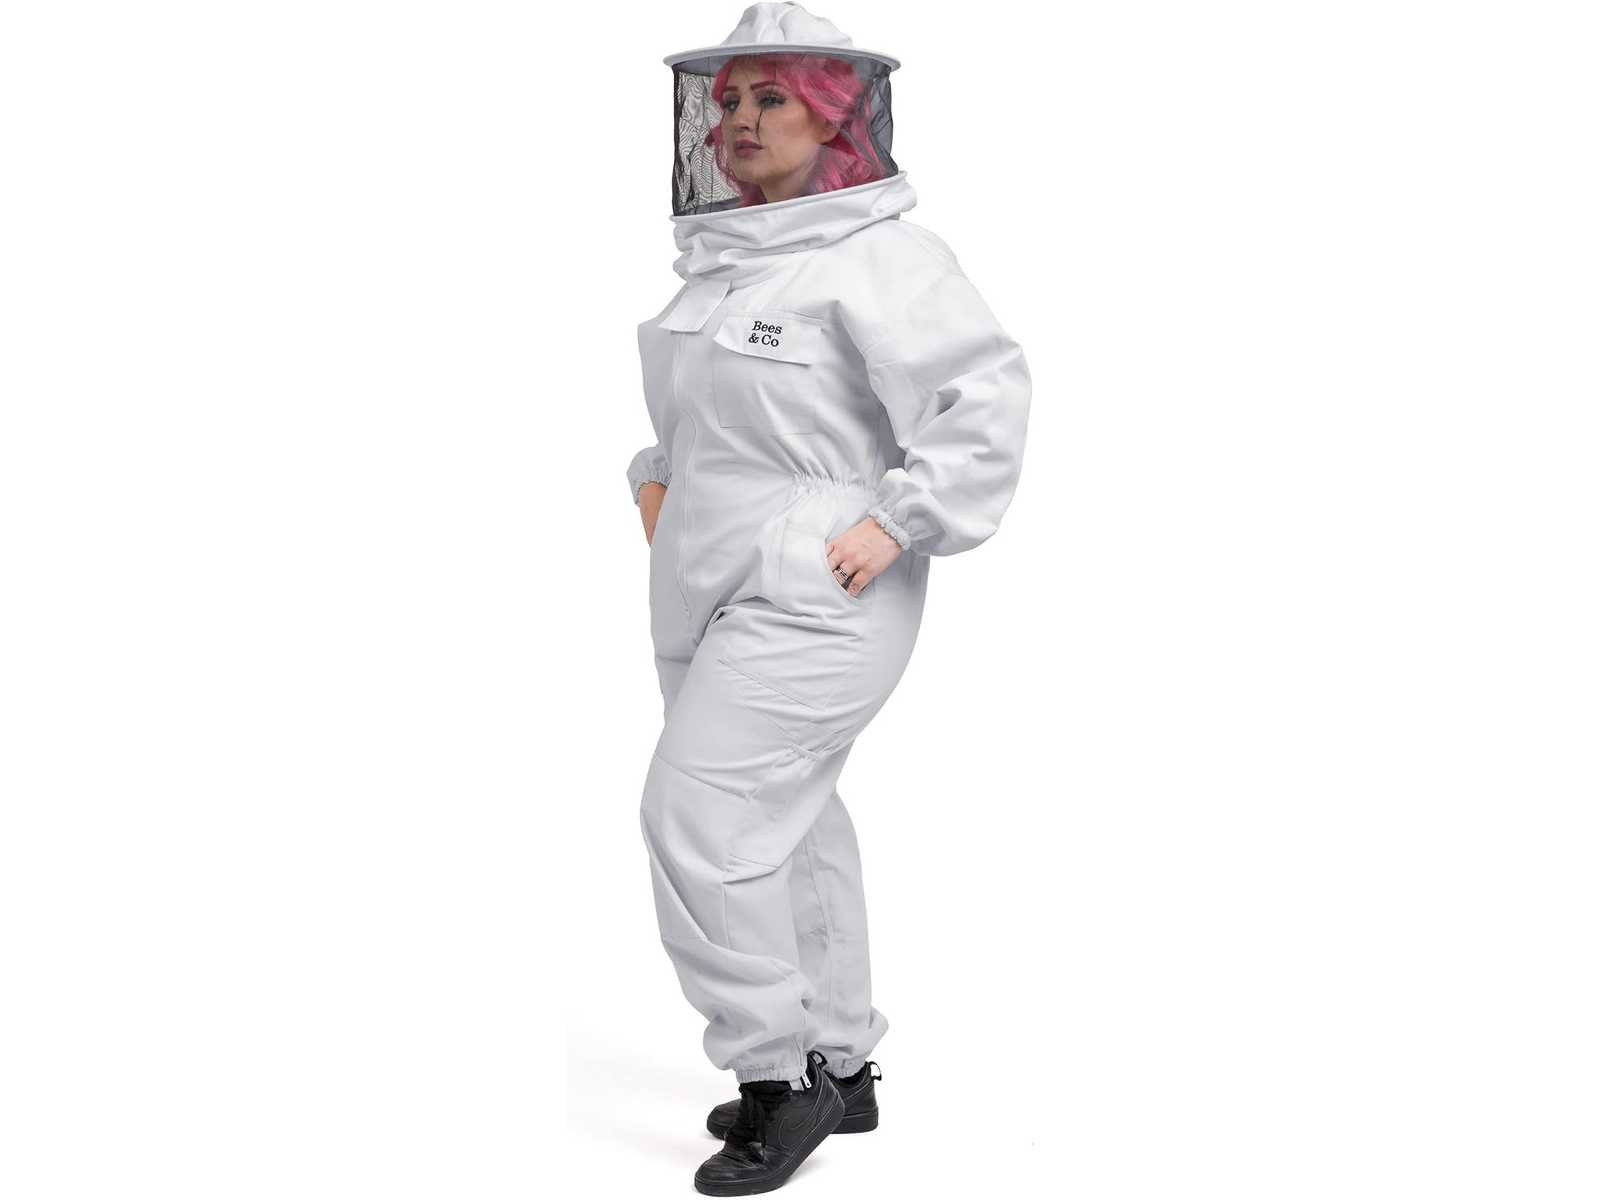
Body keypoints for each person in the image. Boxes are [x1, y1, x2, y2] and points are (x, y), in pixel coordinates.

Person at [625, 3, 1031, 1193]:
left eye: (773, 100)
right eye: (729, 101)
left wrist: (901, 518)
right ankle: (840, 1062)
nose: (740, 121)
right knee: (785, 823)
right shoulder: (723, 264)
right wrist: (656, 482)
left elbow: (984, 394)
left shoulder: (882, 256)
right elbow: (709, 423)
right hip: (698, 574)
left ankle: (775, 1075)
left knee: (699, 819)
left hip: (816, 586)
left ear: (836, 117)